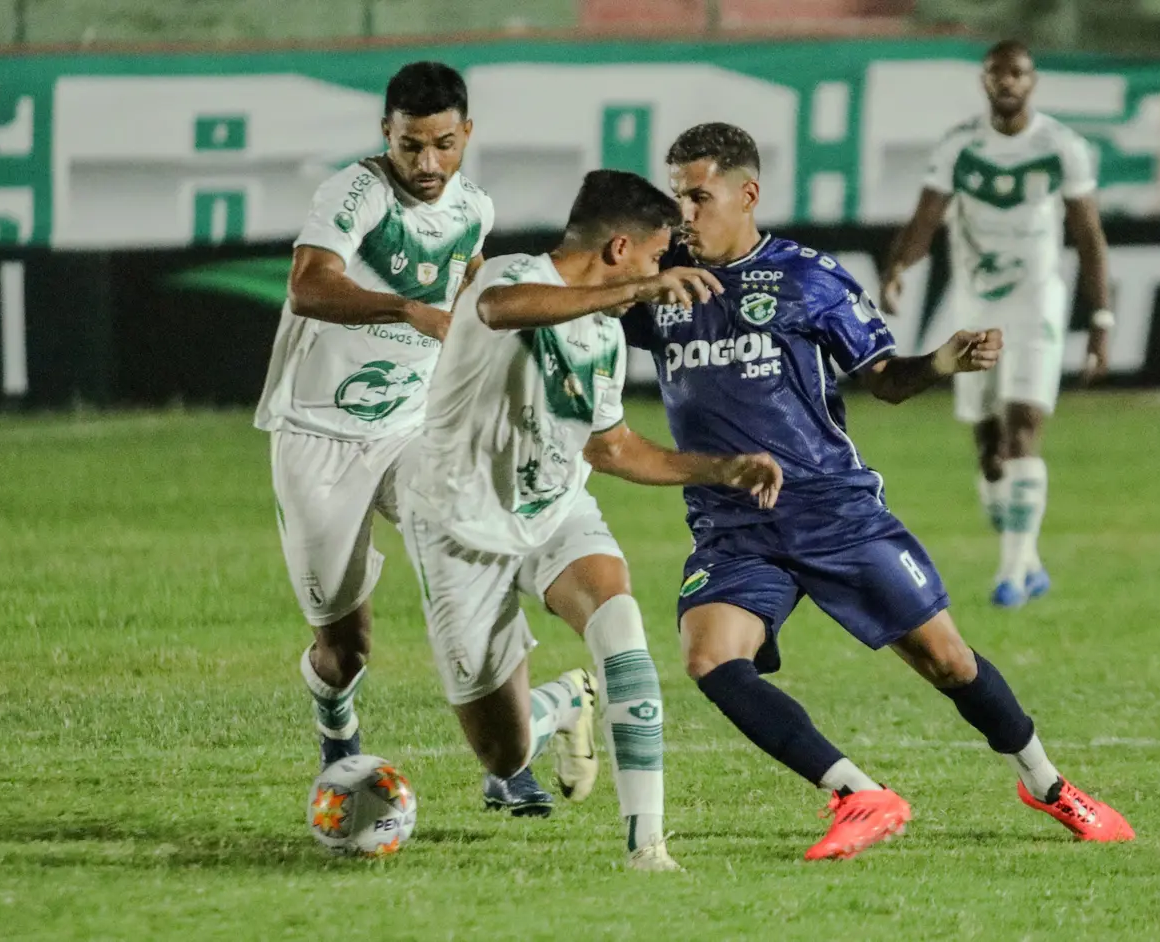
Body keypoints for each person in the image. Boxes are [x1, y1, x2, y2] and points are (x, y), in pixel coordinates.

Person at [622, 121, 1134, 861]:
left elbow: (885, 381)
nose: (684, 214)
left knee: (949, 663)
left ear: (747, 194)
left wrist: (940, 362)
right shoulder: (661, 282)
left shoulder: (807, 278)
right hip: (731, 523)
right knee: (709, 659)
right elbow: (580, 299)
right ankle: (857, 792)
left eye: (698, 197)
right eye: (677, 197)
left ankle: (1047, 783)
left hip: (833, 511)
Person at [400, 169, 783, 869]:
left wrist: (723, 468)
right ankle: (560, 704)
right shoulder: (511, 277)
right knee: (505, 752)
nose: (660, 270)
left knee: (621, 626)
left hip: (553, 507)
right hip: (458, 526)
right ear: (618, 249)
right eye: (656, 256)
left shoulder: (603, 335)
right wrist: (636, 292)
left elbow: (611, 449)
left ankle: (647, 846)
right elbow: (500, 311)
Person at [254, 62, 491, 769]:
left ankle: (511, 761)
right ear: (386, 132)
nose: (428, 164)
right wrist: (406, 309)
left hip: (408, 430)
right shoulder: (355, 193)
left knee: (469, 562)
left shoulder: (476, 208)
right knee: (345, 647)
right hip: (317, 437)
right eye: (411, 145)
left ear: (467, 133)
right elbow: (308, 287)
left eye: (444, 145)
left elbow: (469, 274)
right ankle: (335, 717)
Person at [881, 39, 1113, 608]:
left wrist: (1101, 318)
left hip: (1036, 302)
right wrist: (899, 267)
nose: (1007, 81)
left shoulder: (1061, 146)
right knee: (989, 449)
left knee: (1022, 427)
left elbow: (1088, 235)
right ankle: (1026, 559)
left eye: (1017, 73)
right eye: (997, 73)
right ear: (985, 81)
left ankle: (1009, 575)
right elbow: (926, 217)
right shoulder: (959, 145)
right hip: (976, 306)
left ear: (1032, 81)